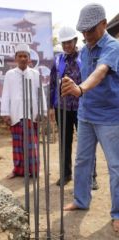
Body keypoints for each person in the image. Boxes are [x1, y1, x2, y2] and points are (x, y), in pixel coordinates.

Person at [61, 3, 119, 234]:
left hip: (110, 117)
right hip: (86, 115)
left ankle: (117, 213)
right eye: (82, 31)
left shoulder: (113, 47)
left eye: (90, 30)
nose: (85, 36)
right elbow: (80, 74)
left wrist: (81, 89)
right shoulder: (84, 50)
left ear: (104, 25)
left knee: (115, 166)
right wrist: (67, 84)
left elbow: (100, 71)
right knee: (82, 161)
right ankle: (81, 199)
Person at [50, 26, 98, 189]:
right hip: (62, 107)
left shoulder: (84, 57)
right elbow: (52, 84)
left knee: (87, 142)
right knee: (64, 141)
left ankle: (91, 177)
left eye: (69, 42)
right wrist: (51, 106)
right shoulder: (57, 60)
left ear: (75, 41)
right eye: (64, 43)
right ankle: (65, 174)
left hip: (81, 106)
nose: (66, 46)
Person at [0, 43, 47, 179]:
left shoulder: (35, 74)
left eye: (25, 56)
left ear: (29, 58)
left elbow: (40, 94)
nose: (22, 58)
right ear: (15, 58)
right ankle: (18, 170)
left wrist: (42, 111)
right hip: (16, 113)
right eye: (19, 56)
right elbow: (6, 94)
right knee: (18, 145)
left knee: (32, 145)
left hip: (31, 115)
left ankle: (34, 170)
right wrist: (5, 113)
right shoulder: (9, 74)